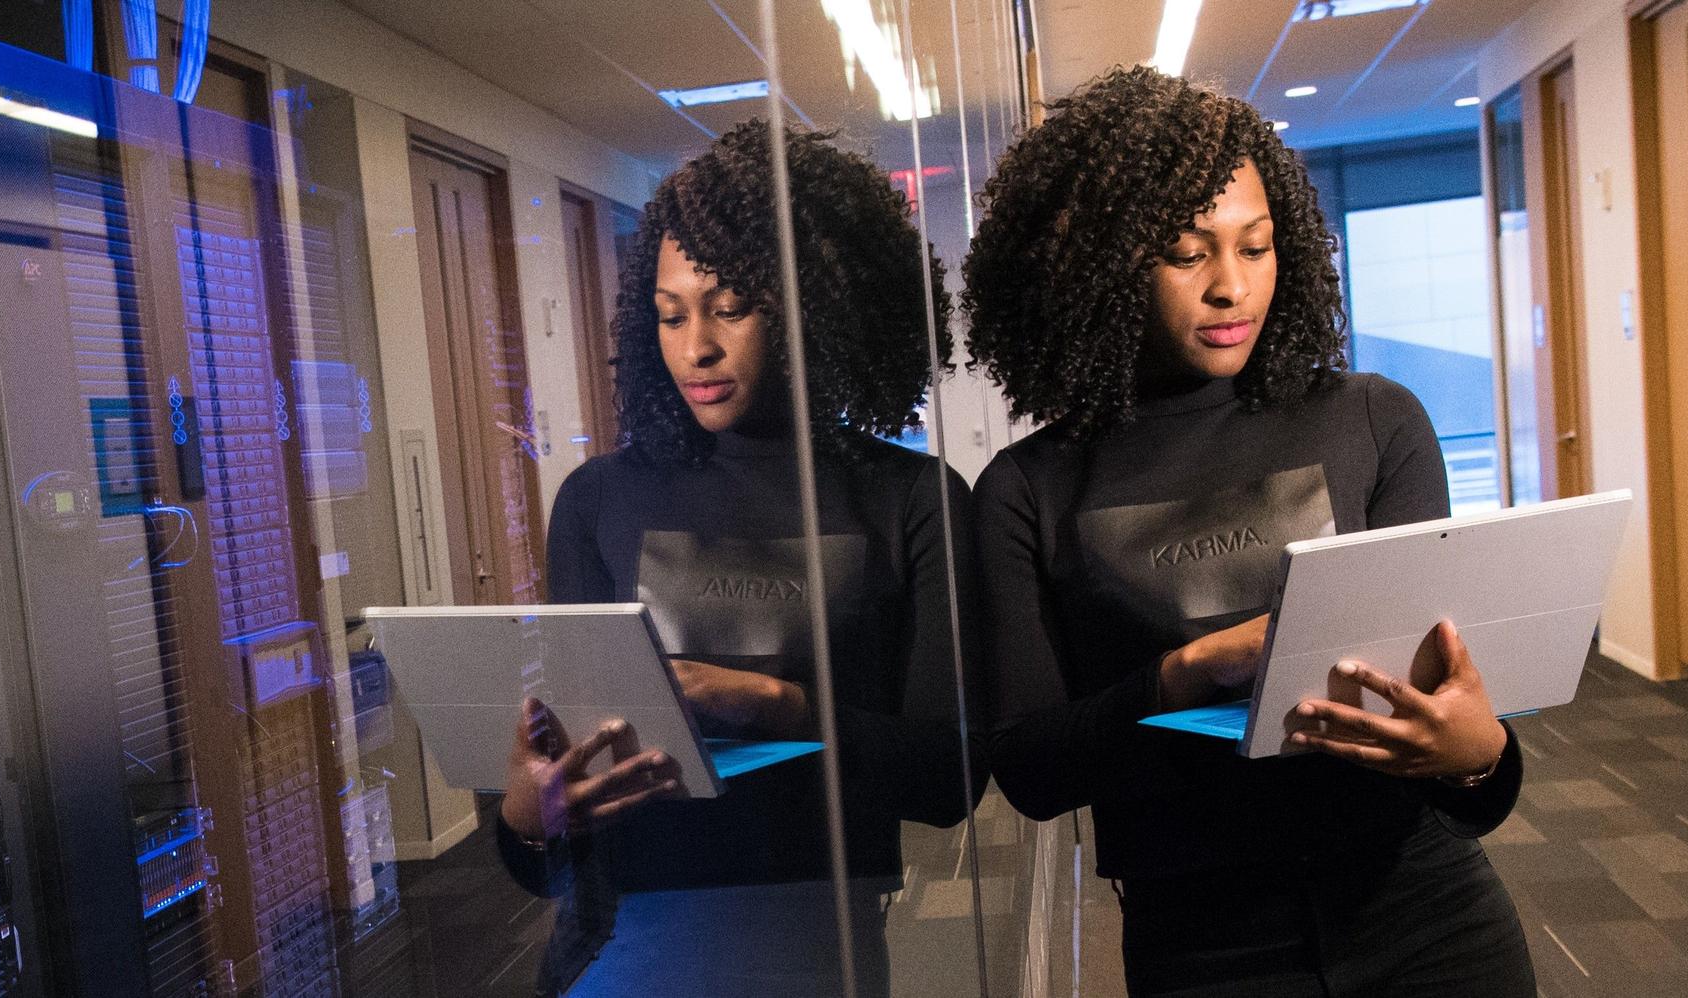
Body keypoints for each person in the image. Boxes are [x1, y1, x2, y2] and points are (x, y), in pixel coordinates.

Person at [956, 68, 1535, 997]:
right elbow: (1028, 767)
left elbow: (1447, 713)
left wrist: (1481, 761)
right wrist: (1185, 673)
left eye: (1256, 246)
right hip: (1203, 949)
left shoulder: (1377, 421)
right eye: (1189, 253)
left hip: (1427, 917)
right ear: (1101, 270)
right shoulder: (1029, 489)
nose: (1233, 286)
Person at [491, 119, 973, 998]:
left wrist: (768, 701)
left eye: (730, 307)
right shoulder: (599, 500)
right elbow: (566, 819)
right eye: (671, 314)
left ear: (810, 308)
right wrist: (527, 820)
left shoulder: (910, 497)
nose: (695, 347)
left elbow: (947, 778)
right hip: (621, 944)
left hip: (817, 940)